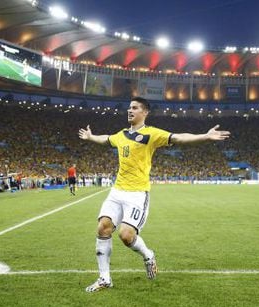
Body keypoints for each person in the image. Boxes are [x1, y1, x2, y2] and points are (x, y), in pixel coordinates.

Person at [78, 97, 230, 292]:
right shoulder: (121, 135)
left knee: (126, 235)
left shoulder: (151, 134)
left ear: (145, 112)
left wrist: (205, 136)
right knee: (103, 228)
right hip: (117, 191)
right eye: (129, 107)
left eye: (134, 108)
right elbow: (106, 139)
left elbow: (179, 137)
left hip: (137, 193)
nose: (129, 111)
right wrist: (91, 137)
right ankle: (104, 279)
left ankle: (148, 255)